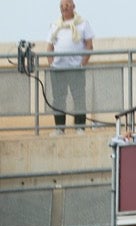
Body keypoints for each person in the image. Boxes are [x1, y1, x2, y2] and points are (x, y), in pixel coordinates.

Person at [45, 0, 94, 129]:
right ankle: (59, 128)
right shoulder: (55, 25)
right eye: (61, 6)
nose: (64, 8)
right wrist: (51, 64)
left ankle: (80, 127)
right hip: (58, 69)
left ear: (73, 6)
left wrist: (83, 63)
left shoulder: (83, 23)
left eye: (67, 5)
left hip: (76, 68)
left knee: (79, 98)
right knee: (58, 99)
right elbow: (49, 47)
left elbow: (89, 45)